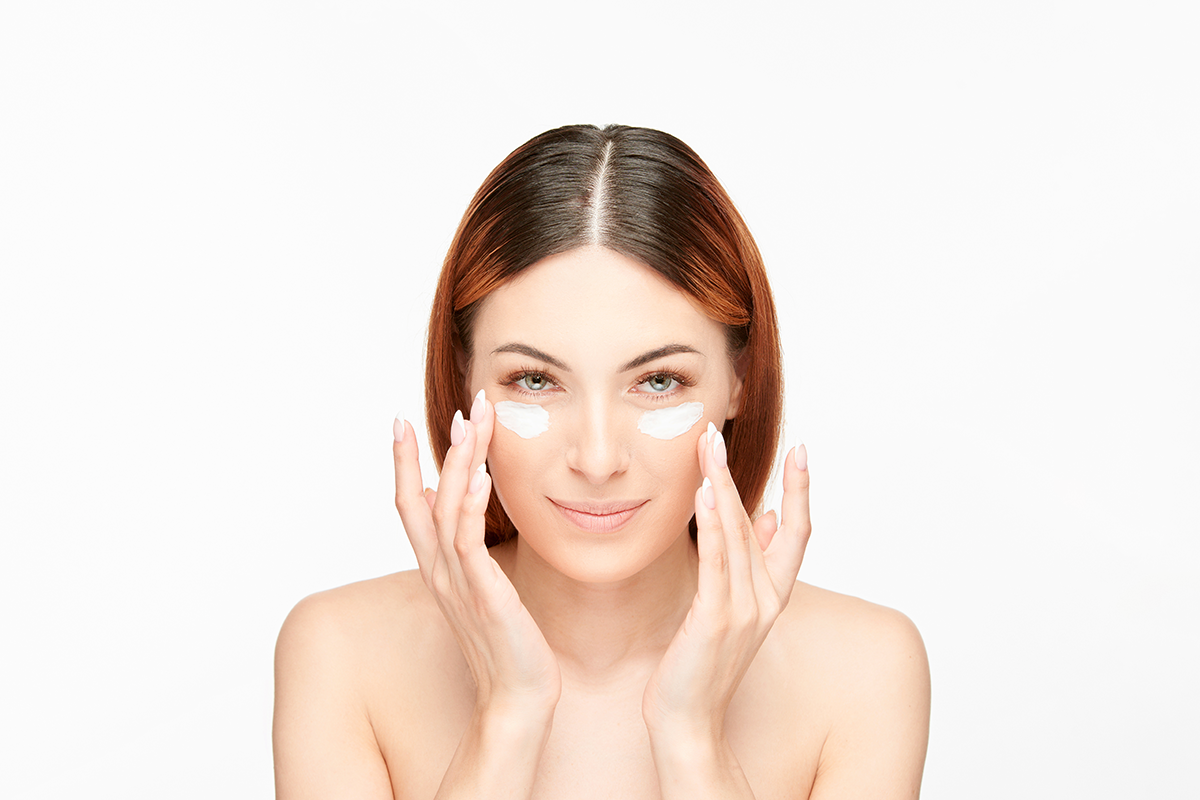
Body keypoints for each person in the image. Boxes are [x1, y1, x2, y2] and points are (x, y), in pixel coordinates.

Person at [273, 124, 931, 799]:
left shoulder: (864, 672)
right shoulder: (340, 654)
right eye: (535, 380)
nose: (596, 459)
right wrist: (508, 714)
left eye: (658, 382)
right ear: (464, 378)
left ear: (739, 379)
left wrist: (691, 736)